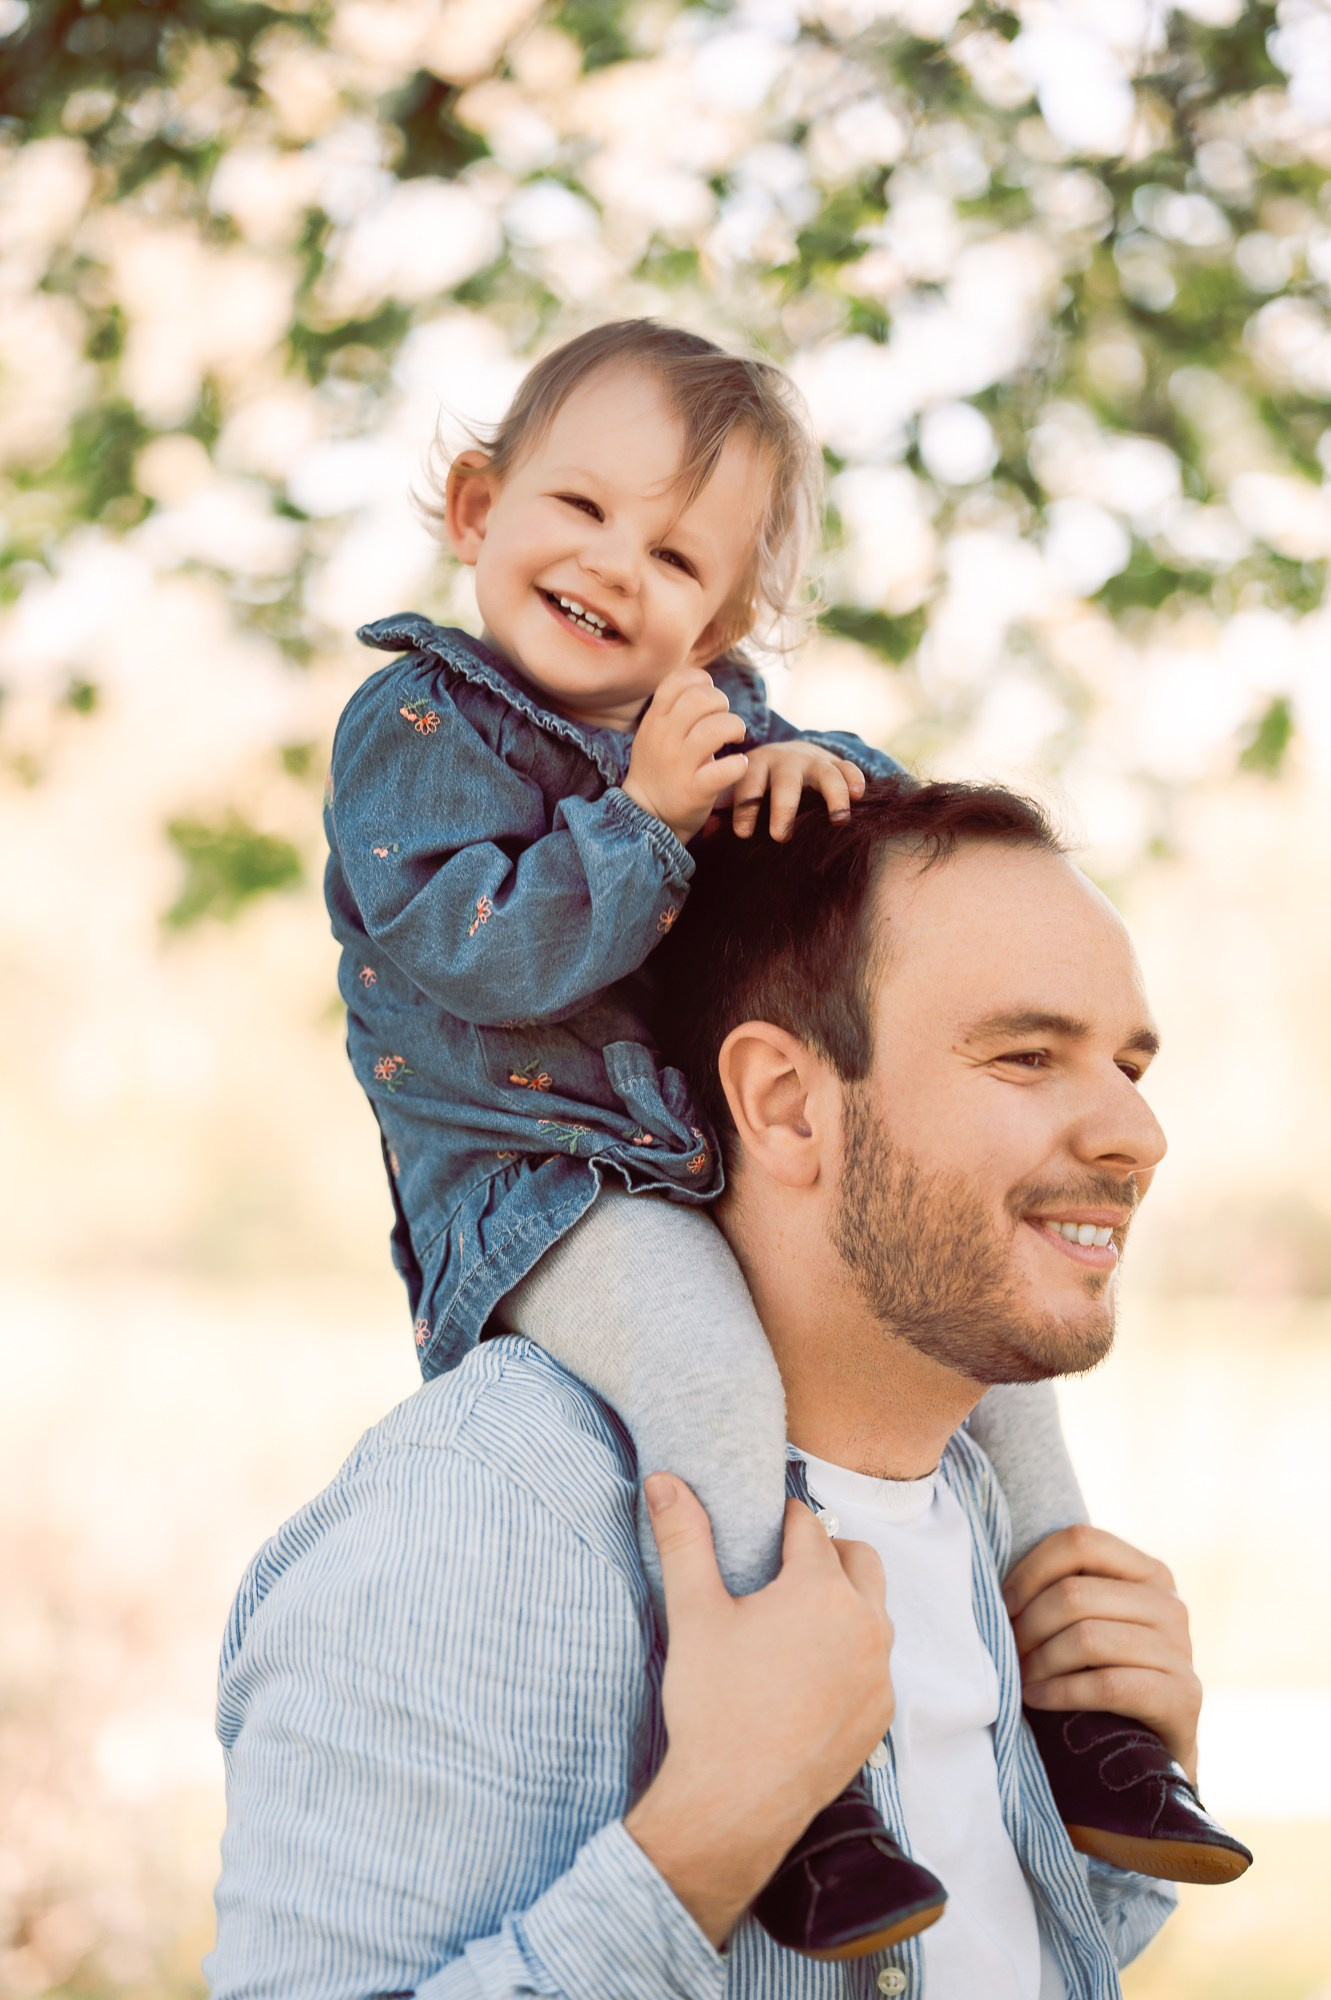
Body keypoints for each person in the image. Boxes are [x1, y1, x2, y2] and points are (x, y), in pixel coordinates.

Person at [315, 319, 1245, 1957]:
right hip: (537, 1189)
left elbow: (879, 878)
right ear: (475, 505)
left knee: (1003, 1389)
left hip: (683, 1151)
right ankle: (800, 1791)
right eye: (578, 510)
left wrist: (826, 780)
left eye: (673, 554)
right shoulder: (416, 730)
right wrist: (643, 826)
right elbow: (475, 956)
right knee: (703, 1365)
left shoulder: (710, 720)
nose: (613, 567)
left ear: (722, 619)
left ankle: (1087, 1725)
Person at [207, 776, 1247, 1999]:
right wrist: (705, 1837)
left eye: (1127, 1063)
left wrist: (1102, 1822)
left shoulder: (972, 1506)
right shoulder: (491, 1515)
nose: (1137, 1132)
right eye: (1026, 1055)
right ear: (783, 1103)